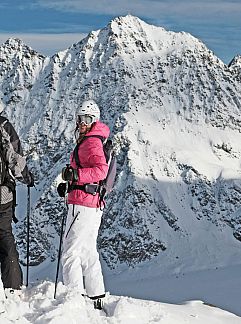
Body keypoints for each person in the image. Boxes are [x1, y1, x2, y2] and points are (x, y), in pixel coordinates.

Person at [61, 99, 109, 310]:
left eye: (87, 119)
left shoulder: (91, 142)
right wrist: (69, 184)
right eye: (80, 118)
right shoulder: (92, 139)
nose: (82, 122)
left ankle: (74, 299)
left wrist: (76, 175)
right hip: (91, 203)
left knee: (70, 252)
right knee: (88, 250)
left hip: (83, 204)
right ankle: (96, 295)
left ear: (94, 120)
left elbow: (101, 170)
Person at [0, 99, 34, 298]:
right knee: (5, 238)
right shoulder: (3, 126)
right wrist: (27, 178)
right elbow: (16, 160)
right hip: (2, 196)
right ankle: (12, 288)